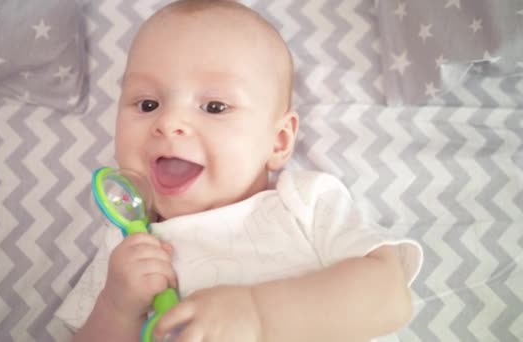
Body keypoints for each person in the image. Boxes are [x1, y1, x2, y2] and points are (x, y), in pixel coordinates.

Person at [56, 1, 423, 341]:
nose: (169, 122)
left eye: (214, 106)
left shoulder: (304, 201)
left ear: (278, 142)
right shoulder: (127, 244)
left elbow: (388, 295)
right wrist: (117, 308)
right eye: (148, 103)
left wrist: (257, 314)